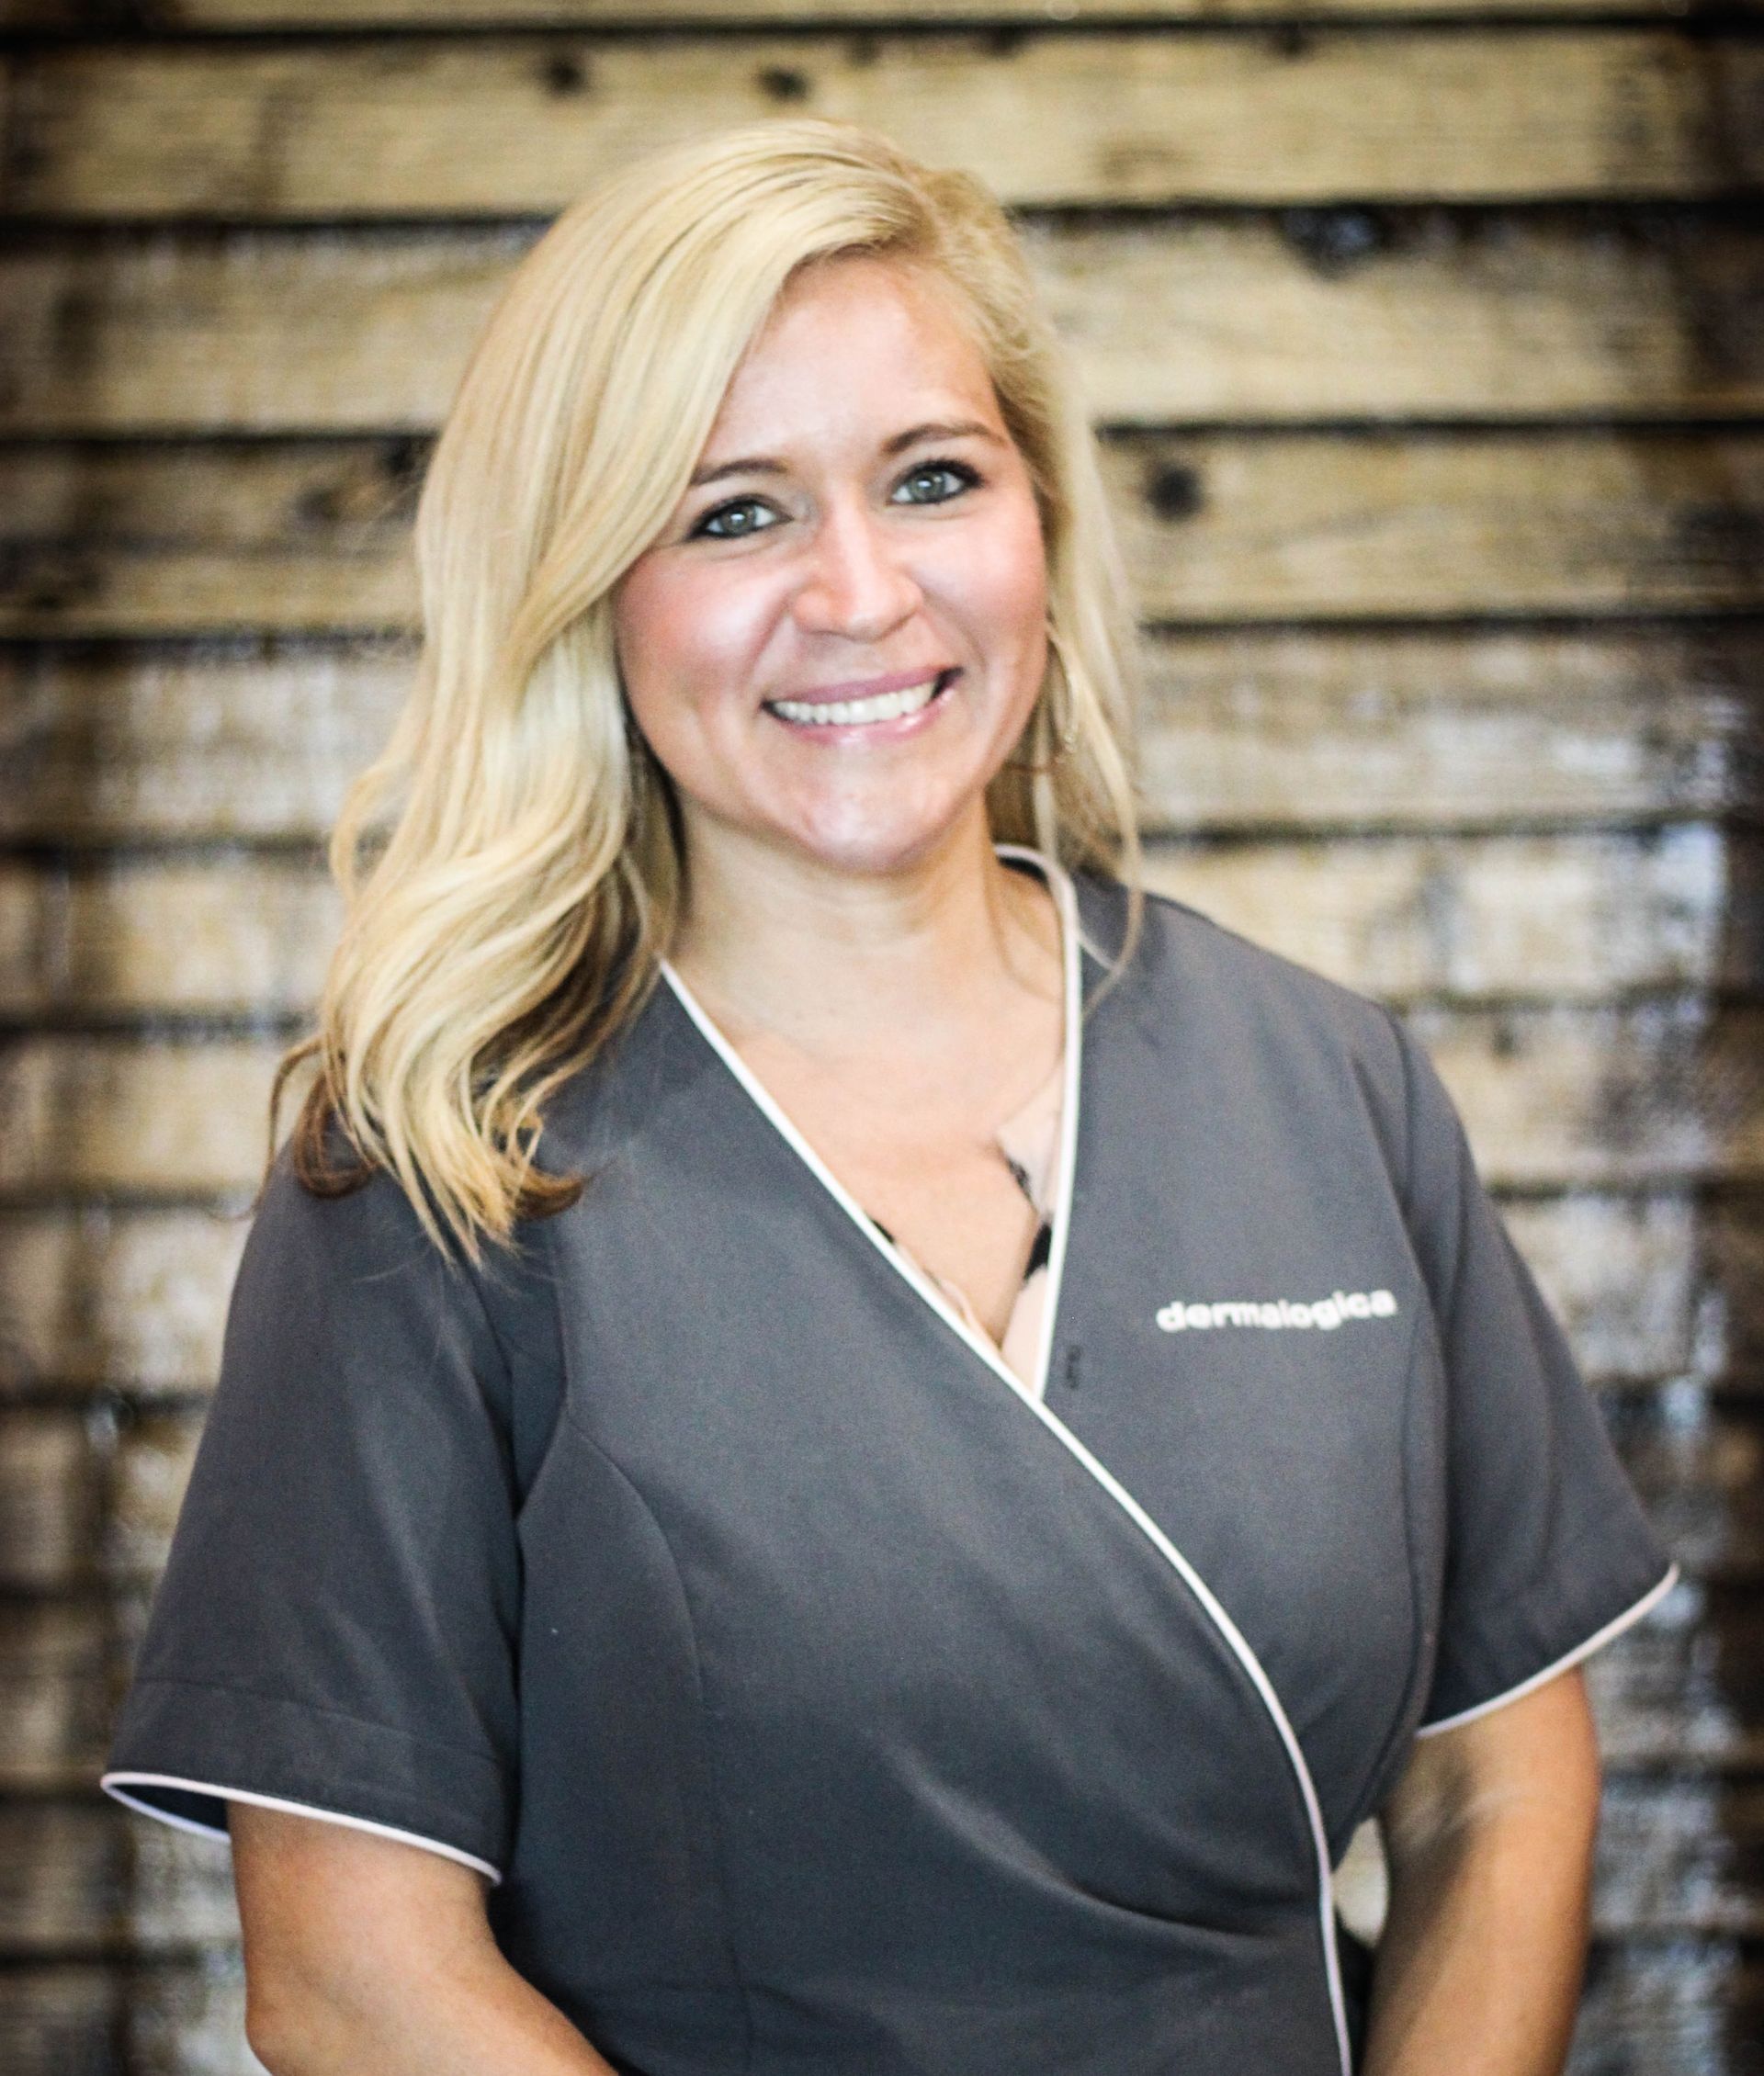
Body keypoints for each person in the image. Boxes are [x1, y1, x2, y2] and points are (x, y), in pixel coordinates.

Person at [103, 119, 1674, 2076]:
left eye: (932, 477)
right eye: (734, 512)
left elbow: (1495, 1792)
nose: (860, 593)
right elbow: (348, 1976)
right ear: (594, 582)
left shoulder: (1325, 1080)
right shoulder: (430, 1164)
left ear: (1040, 523)